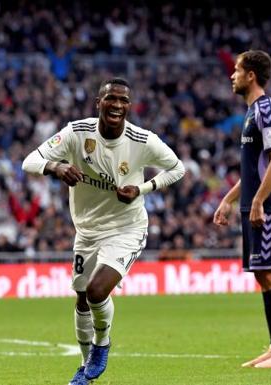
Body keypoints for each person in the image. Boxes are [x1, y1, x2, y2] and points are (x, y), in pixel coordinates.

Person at [22, 78, 184, 385]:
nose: (118, 105)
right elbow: (30, 161)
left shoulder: (142, 140)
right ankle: (84, 369)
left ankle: (103, 343)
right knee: (82, 298)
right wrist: (56, 168)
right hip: (86, 231)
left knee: (97, 291)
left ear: (128, 107)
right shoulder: (76, 133)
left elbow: (177, 168)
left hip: (127, 228)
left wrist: (143, 188)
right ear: (99, 102)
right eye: (112, 99)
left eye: (124, 101)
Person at [213, 50, 271, 368]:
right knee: (262, 275)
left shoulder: (266, 110)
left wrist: (260, 201)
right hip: (253, 203)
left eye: (236, 70)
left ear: (251, 75)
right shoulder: (252, 113)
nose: (231, 75)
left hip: (268, 204)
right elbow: (254, 169)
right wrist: (229, 199)